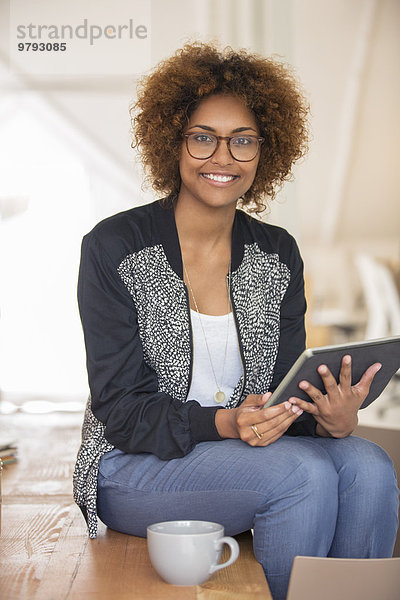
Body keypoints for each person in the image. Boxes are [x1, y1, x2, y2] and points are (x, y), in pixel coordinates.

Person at [73, 42, 399, 600]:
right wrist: (224, 423)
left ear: (263, 151)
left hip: (253, 452)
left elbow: (282, 398)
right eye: (202, 137)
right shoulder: (114, 247)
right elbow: (122, 411)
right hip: (132, 464)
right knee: (304, 475)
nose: (222, 157)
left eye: (242, 140)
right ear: (172, 141)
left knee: (367, 463)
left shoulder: (276, 253)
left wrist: (329, 418)